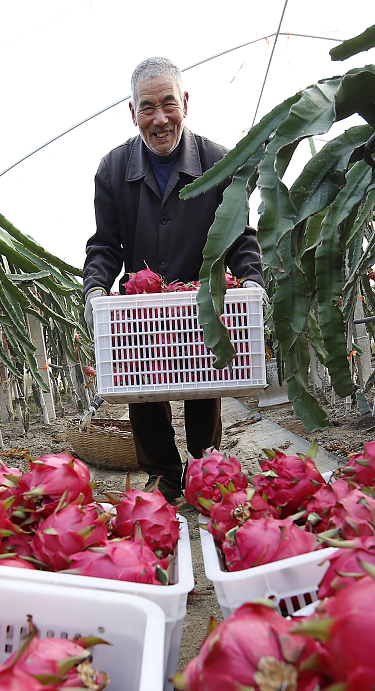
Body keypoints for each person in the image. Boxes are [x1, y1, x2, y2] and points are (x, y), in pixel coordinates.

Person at [82, 56, 265, 504]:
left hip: (202, 293)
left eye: (168, 104)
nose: (159, 118)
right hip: (140, 303)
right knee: (143, 390)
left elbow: (240, 236)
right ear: (132, 113)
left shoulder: (220, 162)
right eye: (147, 107)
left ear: (185, 102)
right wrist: (95, 288)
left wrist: (252, 278)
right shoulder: (112, 169)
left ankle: (207, 466)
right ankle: (163, 474)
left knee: (206, 383)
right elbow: (105, 245)